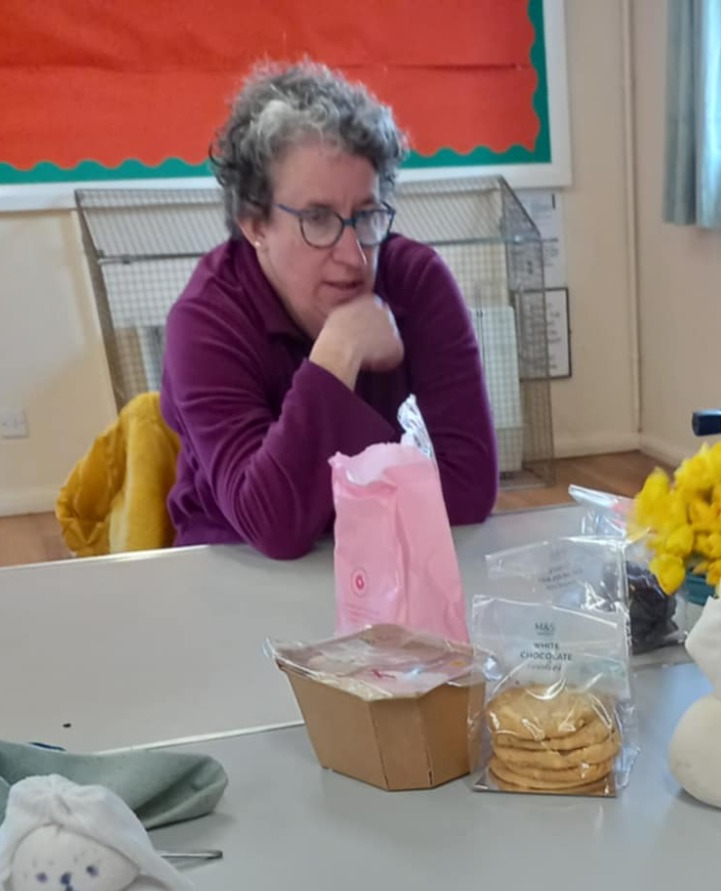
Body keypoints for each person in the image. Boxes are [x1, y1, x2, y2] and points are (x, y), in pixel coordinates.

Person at [161, 63, 499, 560]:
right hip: (237, 565)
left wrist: (320, 503)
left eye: (365, 215)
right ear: (254, 223)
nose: (354, 256)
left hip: (390, 562)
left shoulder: (418, 283)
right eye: (317, 219)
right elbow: (273, 526)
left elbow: (469, 489)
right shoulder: (206, 321)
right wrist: (338, 353)